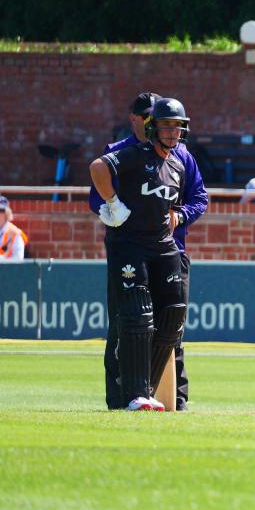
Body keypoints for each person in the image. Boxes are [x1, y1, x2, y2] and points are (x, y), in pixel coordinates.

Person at [88, 92, 207, 411]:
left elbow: (200, 198)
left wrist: (180, 215)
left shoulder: (182, 160)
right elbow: (97, 178)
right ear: (145, 123)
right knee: (132, 321)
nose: (171, 132)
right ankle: (124, 396)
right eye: (164, 125)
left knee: (173, 319)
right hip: (129, 246)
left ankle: (160, 395)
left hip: (168, 248)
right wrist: (111, 206)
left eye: (176, 126)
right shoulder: (128, 153)